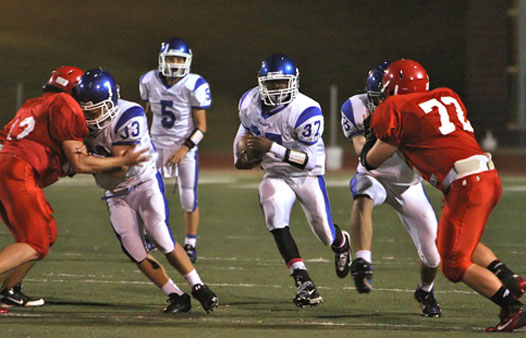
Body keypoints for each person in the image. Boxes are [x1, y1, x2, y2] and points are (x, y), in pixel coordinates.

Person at [362, 59, 526, 332]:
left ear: (393, 89)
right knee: (451, 241)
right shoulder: (447, 96)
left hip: (466, 184)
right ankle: (509, 278)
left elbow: (372, 161)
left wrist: (368, 140)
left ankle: (512, 306)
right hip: (486, 176)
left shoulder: (396, 107)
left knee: (453, 264)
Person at [0, 66, 149, 315]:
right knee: (35, 241)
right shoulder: (65, 105)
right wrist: (120, 161)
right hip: (15, 170)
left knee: (44, 234)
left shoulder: (35, 104)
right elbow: (79, 162)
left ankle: (3, 290)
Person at [73, 69, 218, 313]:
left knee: (161, 237)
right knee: (134, 249)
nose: (88, 118)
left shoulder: (129, 115)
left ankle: (198, 286)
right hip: (115, 194)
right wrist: (86, 163)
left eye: (94, 110)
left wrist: (85, 162)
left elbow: (121, 167)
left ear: (110, 103)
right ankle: (176, 295)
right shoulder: (77, 123)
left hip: (143, 183)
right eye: (83, 111)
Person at [233, 53, 351, 308]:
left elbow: (308, 161)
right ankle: (302, 280)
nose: (276, 90)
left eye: (281, 83)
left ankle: (341, 242)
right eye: (271, 84)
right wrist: (241, 157)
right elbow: (242, 134)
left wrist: (270, 148)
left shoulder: (306, 110)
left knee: (325, 233)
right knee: (273, 213)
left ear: (294, 83)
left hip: (306, 174)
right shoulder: (249, 102)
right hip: (275, 173)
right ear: (261, 83)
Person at [340, 61, 442, 317]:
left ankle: (425, 290)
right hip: (373, 174)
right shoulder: (356, 106)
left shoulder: (425, 113)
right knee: (363, 192)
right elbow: (361, 151)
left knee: (433, 256)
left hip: (409, 185)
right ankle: (362, 260)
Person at [139, 37, 211, 263]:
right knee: (148, 193)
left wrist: (184, 148)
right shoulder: (149, 80)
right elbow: (147, 108)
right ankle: (150, 236)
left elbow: (202, 127)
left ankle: (190, 243)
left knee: (188, 197)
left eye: (179, 59)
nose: (175, 63)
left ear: (187, 61)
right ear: (162, 59)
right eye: (171, 58)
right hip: (156, 144)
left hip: (184, 145)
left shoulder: (194, 84)